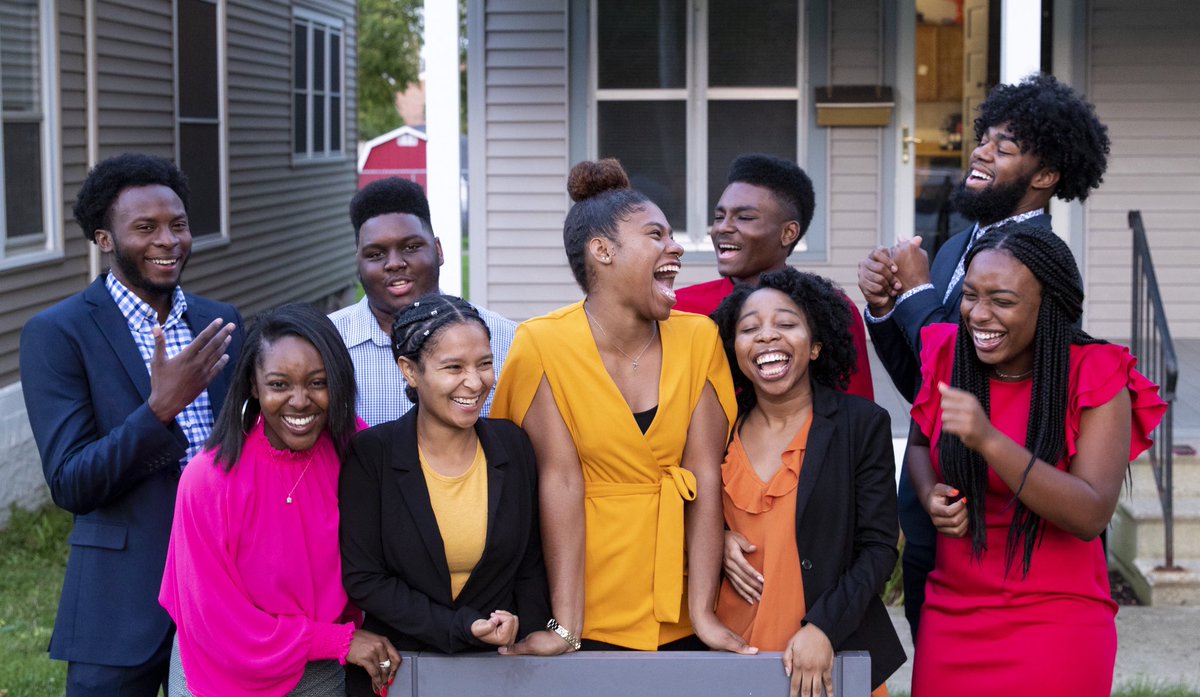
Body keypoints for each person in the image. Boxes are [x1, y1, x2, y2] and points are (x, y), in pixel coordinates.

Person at [856, 73, 1111, 637]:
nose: (982, 151)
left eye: (1006, 147)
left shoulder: (1043, 266)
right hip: (933, 491)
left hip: (997, 509)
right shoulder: (954, 247)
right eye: (985, 137)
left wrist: (919, 296)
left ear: (1045, 176)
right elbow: (927, 388)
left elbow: (978, 378)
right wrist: (882, 308)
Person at [491, 159, 752, 655]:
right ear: (603, 251)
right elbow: (559, 483)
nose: (675, 246)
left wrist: (702, 613)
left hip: (680, 607)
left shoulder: (699, 337)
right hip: (587, 610)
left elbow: (704, 475)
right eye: (656, 234)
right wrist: (565, 627)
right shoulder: (541, 344)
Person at [906, 222, 1165, 696]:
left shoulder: (1095, 373)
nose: (978, 315)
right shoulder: (949, 354)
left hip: (1058, 618)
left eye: (1002, 301)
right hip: (953, 613)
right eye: (970, 295)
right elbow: (921, 446)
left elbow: (1090, 513)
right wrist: (929, 495)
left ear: (1049, 307)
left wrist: (989, 440)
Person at [19, 153, 243, 695]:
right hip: (119, 601)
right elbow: (72, 481)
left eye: (179, 224)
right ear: (104, 239)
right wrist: (159, 410)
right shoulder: (58, 333)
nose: (168, 240)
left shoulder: (222, 324)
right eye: (145, 228)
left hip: (225, 593)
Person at [159, 304, 400, 697]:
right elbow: (216, 621)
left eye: (317, 383)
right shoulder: (208, 479)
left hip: (320, 669)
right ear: (254, 386)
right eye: (279, 385)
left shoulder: (356, 452)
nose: (300, 401)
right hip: (221, 667)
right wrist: (337, 642)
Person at [339, 293, 550, 693]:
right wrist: (462, 628)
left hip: (499, 670)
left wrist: (530, 628)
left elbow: (530, 564)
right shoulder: (372, 455)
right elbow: (365, 578)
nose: (475, 382)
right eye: (453, 367)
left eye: (484, 363)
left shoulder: (513, 446)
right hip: (398, 669)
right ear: (410, 371)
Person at [710, 268, 905, 697]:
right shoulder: (717, 427)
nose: (766, 337)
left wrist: (824, 628)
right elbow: (683, 510)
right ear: (734, 348)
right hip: (727, 652)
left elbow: (877, 548)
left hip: (825, 655)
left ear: (816, 346)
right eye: (749, 329)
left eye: (786, 324)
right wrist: (716, 537)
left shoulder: (861, 425)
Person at [673, 153, 874, 401]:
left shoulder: (829, 311)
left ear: (788, 232)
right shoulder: (681, 308)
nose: (722, 228)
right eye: (719, 217)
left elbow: (858, 419)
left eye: (744, 217)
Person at [329, 177, 516, 426]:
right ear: (358, 263)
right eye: (376, 254)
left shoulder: (505, 340)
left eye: (411, 247)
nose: (394, 263)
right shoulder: (328, 344)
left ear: (438, 250)